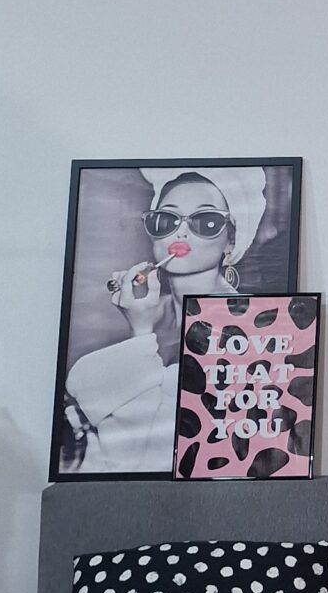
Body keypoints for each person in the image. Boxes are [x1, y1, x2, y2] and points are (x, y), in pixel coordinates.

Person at [61, 165, 268, 473]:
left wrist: (140, 334)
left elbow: (149, 454)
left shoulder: (250, 327)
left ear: (231, 241)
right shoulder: (148, 312)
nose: (180, 232)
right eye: (166, 220)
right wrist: (140, 329)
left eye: (206, 221)